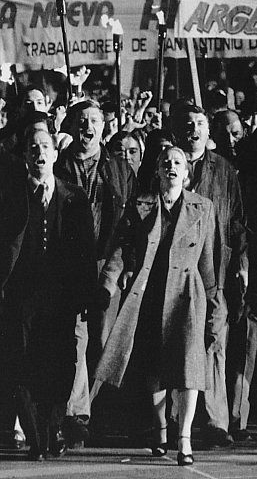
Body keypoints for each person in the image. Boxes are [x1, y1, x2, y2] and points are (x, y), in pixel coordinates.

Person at [93, 146, 216, 466]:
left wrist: (215, 298)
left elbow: (207, 261)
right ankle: (161, 428)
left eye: (178, 163)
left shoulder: (203, 207)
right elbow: (120, 247)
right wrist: (107, 283)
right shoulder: (140, 206)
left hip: (189, 295)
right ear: (157, 172)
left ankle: (184, 438)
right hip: (150, 293)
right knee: (155, 368)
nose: (172, 167)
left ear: (187, 173)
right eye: (166, 163)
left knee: (189, 367)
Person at [0, 128, 96, 460]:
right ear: (25, 156)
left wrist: (85, 296)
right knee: (21, 364)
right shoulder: (10, 195)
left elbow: (86, 252)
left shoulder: (75, 197)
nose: (39, 153)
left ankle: (53, 427)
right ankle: (36, 438)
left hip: (61, 296)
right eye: (33, 148)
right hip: (21, 295)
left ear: (55, 155)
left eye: (45, 147)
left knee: (60, 365)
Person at [54, 99, 136, 443]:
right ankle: (78, 415)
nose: (88, 127)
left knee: (102, 342)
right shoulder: (60, 164)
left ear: (105, 127)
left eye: (95, 121)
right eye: (82, 120)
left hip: (108, 261)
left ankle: (99, 411)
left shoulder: (118, 167)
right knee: (76, 337)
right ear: (73, 126)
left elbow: (131, 220)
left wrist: (125, 265)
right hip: (70, 263)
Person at [171, 103, 248, 448]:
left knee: (215, 339)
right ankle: (176, 419)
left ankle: (217, 420)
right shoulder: (169, 163)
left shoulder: (225, 170)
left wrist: (241, 264)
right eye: (188, 124)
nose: (195, 129)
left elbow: (236, 223)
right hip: (178, 269)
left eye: (200, 123)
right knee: (177, 339)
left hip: (215, 268)